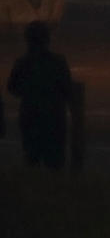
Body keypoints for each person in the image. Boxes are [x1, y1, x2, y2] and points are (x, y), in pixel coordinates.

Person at [7, 21, 73, 170]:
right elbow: (67, 90)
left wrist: (29, 91)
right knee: (55, 162)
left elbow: (12, 88)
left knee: (32, 158)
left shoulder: (22, 63)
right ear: (47, 39)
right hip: (54, 117)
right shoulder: (58, 62)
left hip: (30, 115)